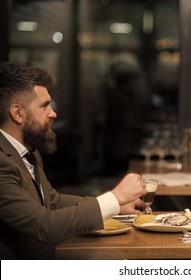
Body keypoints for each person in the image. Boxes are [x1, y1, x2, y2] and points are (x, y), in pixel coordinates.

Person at [0, 61, 147, 259]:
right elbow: (46, 226)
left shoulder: (26, 151)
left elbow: (52, 201)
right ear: (18, 113)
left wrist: (116, 207)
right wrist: (115, 197)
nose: (53, 113)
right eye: (44, 106)